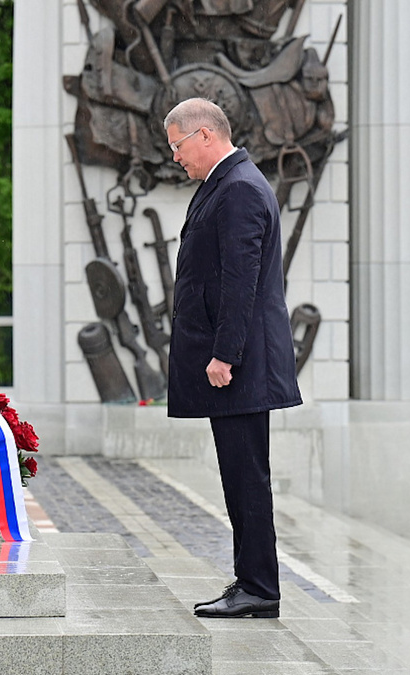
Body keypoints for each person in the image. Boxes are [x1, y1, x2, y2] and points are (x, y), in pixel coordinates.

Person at [164, 98, 302, 619]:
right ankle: (252, 583)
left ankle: (260, 589)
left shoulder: (239, 188)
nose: (176, 157)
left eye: (177, 146)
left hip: (239, 368)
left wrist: (224, 354)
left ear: (204, 135)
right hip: (238, 366)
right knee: (240, 474)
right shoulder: (224, 185)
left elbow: (239, 282)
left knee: (246, 476)